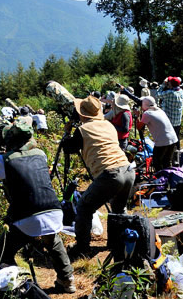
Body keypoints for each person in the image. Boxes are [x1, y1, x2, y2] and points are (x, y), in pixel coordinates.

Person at [0, 121, 76, 293]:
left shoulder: (4, 160)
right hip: (53, 209)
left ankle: (19, 286)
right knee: (52, 241)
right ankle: (67, 280)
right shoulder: (40, 154)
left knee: (3, 248)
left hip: (27, 214)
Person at [61, 95, 135, 256]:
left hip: (110, 174)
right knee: (119, 209)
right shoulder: (107, 124)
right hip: (127, 170)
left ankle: (82, 247)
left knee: (84, 207)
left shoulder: (82, 130)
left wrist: (67, 132)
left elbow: (68, 148)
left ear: (82, 114)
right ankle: (117, 244)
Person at [137, 97, 178, 171]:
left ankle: (159, 178)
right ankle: (167, 178)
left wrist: (137, 116)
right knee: (167, 161)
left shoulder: (147, 114)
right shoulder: (159, 110)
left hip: (162, 141)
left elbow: (139, 127)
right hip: (173, 138)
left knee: (157, 162)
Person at [156, 76, 183, 149]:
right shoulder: (180, 91)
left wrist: (163, 84)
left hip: (169, 121)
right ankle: (178, 154)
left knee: (169, 140)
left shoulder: (170, 93)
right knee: (176, 138)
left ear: (170, 84)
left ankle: (170, 156)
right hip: (177, 121)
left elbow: (158, 94)